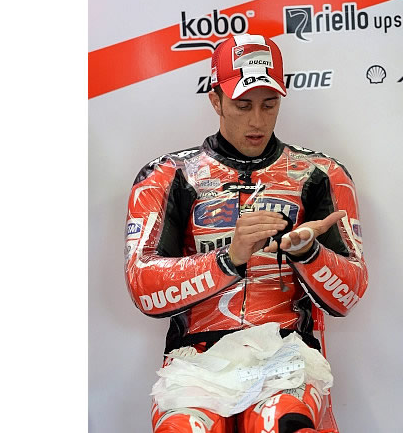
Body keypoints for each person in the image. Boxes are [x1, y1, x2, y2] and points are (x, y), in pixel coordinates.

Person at [125, 34, 368, 433]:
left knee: (283, 426)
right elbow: (143, 287)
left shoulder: (321, 173)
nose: (257, 120)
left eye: (269, 104)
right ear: (215, 100)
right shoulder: (168, 175)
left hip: (286, 355)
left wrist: (308, 254)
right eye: (243, 105)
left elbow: (350, 294)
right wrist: (229, 259)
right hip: (196, 361)